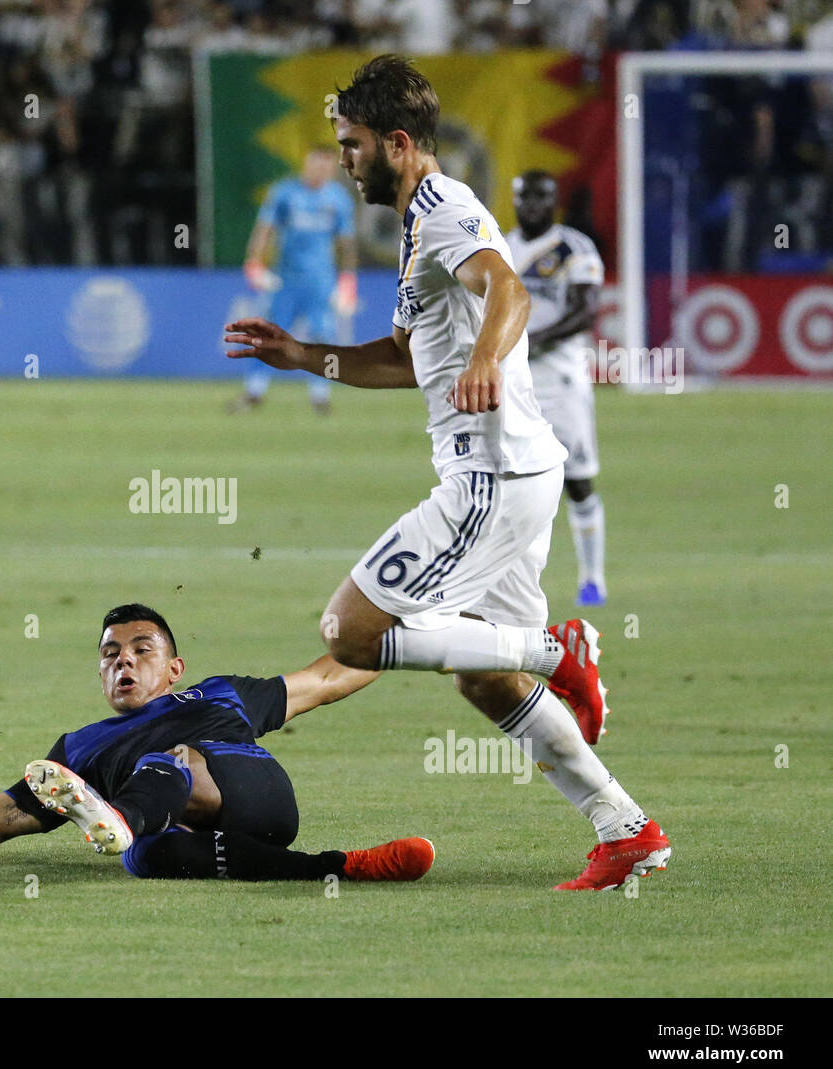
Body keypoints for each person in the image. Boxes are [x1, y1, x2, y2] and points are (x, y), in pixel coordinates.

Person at [224, 56, 670, 890]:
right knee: (483, 677)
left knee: (350, 630)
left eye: (352, 145)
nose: (345, 159)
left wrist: (485, 360)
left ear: (396, 143)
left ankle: (557, 648)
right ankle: (625, 829)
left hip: (489, 478)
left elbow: (509, 291)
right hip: (516, 473)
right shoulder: (417, 224)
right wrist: (302, 355)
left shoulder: (443, 207)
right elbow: (400, 360)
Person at [0, 603, 435, 885]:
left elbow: (327, 678)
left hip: (257, 792)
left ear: (175, 668)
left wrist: (424, 638)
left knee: (172, 763)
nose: (124, 664)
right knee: (147, 861)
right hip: (204, 841)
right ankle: (348, 866)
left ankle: (120, 819)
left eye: (142, 651)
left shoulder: (219, 696)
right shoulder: (79, 749)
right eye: (110, 655)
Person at [506, 170, 607, 607]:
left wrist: (535, 341)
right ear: (514, 201)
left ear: (554, 201)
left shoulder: (574, 248)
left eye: (541, 198)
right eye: (524, 197)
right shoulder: (499, 246)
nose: (532, 205)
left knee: (577, 481)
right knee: (510, 481)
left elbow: (586, 312)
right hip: (513, 382)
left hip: (562, 381)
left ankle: (592, 579)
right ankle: (511, 586)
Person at [232, 147, 357, 416]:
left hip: (320, 282)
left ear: (332, 170)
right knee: (268, 336)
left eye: (325, 167)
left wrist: (348, 280)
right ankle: (254, 392)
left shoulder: (338, 199)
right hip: (285, 280)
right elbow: (265, 228)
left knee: (322, 339)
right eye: (315, 165)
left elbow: (346, 243)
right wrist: (254, 262)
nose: (319, 171)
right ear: (305, 165)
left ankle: (320, 397)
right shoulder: (284, 193)